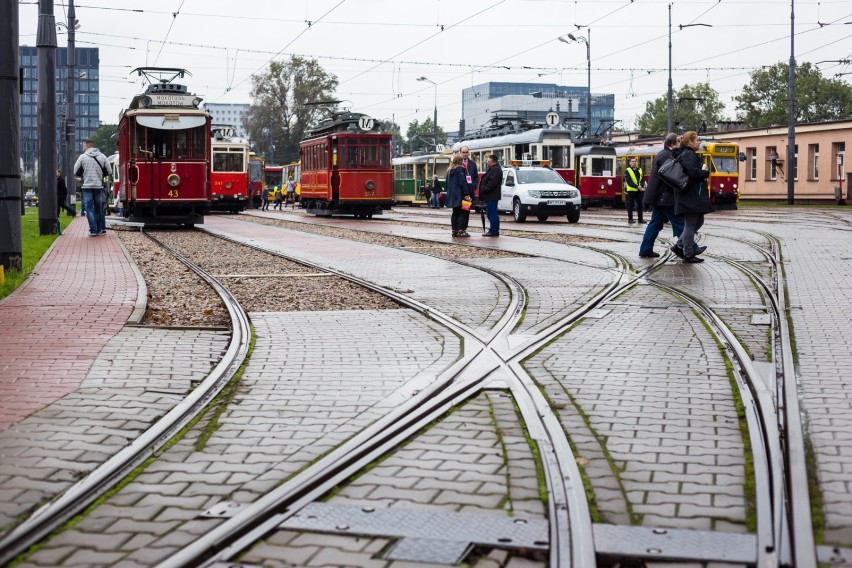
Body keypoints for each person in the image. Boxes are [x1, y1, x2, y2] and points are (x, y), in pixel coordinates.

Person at [638, 133, 704, 258]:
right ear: (673, 144)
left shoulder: (661, 154)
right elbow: (672, 176)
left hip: (659, 196)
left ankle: (645, 249)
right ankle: (691, 248)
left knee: (655, 224)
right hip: (665, 196)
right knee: (679, 223)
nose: (679, 145)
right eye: (678, 143)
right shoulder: (668, 155)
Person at [672, 131, 711, 263]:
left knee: (698, 222)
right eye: (697, 140)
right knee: (690, 224)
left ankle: (679, 246)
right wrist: (705, 172)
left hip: (691, 195)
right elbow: (693, 172)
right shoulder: (688, 154)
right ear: (690, 142)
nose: (699, 142)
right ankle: (688, 254)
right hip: (690, 196)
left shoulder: (687, 154)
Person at [73, 139, 110, 236]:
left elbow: (75, 170)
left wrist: (83, 173)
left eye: (84, 146)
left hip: (87, 187)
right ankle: (100, 229)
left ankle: (93, 230)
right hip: (99, 186)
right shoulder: (103, 156)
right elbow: (109, 171)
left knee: (89, 209)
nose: (83, 148)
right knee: (99, 209)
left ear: (87, 146)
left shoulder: (82, 157)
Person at [445, 153, 472, 237]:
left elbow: (446, 184)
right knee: (464, 211)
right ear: (460, 161)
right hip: (461, 195)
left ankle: (454, 230)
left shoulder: (449, 170)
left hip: (452, 195)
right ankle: (461, 230)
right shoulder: (460, 170)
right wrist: (467, 194)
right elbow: (462, 183)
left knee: (455, 212)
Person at [478, 154, 502, 236]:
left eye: (489, 162)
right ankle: (494, 229)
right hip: (490, 195)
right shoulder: (493, 169)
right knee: (490, 212)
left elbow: (492, 182)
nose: (487, 163)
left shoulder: (495, 170)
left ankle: (494, 230)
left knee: (492, 213)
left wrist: (484, 189)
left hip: (492, 195)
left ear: (494, 162)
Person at [459, 146, 479, 234]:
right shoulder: (457, 164)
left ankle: (463, 229)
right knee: (458, 212)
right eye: (463, 152)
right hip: (460, 193)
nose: (465, 154)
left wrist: (473, 186)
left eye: (466, 152)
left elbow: (476, 177)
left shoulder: (472, 164)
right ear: (460, 153)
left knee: (466, 211)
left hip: (469, 193)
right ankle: (457, 229)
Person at [624, 157, 645, 225]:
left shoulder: (640, 170)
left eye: (635, 161)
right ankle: (630, 219)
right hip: (631, 190)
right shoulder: (627, 170)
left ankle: (640, 219)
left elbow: (642, 179)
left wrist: (641, 185)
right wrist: (637, 186)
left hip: (639, 190)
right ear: (630, 163)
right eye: (632, 161)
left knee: (640, 205)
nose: (634, 162)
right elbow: (629, 181)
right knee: (630, 205)